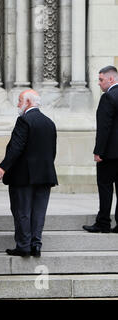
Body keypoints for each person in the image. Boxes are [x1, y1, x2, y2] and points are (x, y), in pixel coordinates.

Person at [0, 89, 58, 257]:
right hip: (45, 175)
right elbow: (52, 151)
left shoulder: (24, 120)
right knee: (38, 212)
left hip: (24, 176)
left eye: (20, 101)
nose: (18, 104)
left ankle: (23, 245)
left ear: (28, 103)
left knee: (22, 211)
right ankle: (36, 244)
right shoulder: (49, 122)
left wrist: (3, 166)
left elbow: (17, 147)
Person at [83, 66, 118, 233]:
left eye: (101, 80)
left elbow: (104, 128)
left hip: (109, 154)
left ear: (111, 79)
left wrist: (98, 151)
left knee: (105, 187)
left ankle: (103, 222)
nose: (99, 83)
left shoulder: (108, 97)